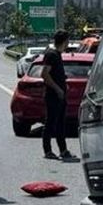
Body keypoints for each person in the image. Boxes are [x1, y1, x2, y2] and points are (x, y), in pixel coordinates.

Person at [40, 29, 76, 161]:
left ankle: (63, 150)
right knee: (50, 122)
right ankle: (48, 150)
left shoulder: (58, 55)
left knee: (61, 122)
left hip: (60, 94)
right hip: (53, 95)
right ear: (65, 41)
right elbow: (44, 74)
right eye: (68, 41)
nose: (68, 44)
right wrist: (57, 89)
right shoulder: (51, 55)